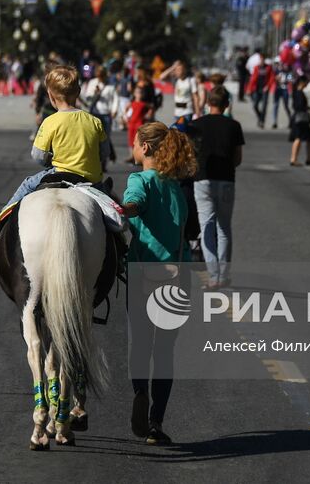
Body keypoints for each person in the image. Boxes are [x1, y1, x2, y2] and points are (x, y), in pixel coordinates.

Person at [123, 121, 195, 446]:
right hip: (178, 277)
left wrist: (129, 209)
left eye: (135, 143)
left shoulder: (140, 180)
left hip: (143, 274)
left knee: (141, 345)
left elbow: (135, 200)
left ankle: (140, 392)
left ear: (146, 148)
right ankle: (156, 421)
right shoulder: (176, 186)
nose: (132, 148)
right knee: (165, 353)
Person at [0, 65, 108, 243]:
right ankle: (120, 242)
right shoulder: (94, 121)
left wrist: (50, 160)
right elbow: (104, 152)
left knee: (27, 184)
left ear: (50, 95)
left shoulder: (50, 122)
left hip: (59, 175)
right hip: (91, 179)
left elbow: (38, 155)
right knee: (111, 213)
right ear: (78, 92)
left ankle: (0, 226)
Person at [191, 86, 244, 289]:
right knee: (224, 228)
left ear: (207, 103)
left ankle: (213, 276)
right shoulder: (234, 126)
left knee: (206, 227)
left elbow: (191, 154)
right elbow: (237, 158)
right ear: (227, 105)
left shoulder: (196, 125)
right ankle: (224, 274)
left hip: (202, 179)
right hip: (226, 179)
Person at [83, 65, 119, 164]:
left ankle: (104, 161)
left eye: (102, 76)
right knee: (94, 137)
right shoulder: (92, 83)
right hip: (95, 113)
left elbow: (115, 98)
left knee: (105, 138)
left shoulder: (111, 85)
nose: (100, 78)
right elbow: (88, 97)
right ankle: (95, 159)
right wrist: (95, 93)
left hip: (106, 114)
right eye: (99, 76)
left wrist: (114, 110)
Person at [288, 77, 310, 167]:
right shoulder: (299, 93)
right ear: (302, 82)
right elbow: (298, 106)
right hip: (300, 119)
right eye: (306, 82)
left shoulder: (297, 92)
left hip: (300, 118)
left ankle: (308, 158)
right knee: (298, 138)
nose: (307, 84)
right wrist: (306, 108)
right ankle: (293, 159)